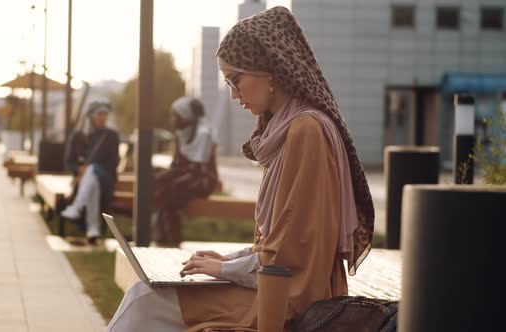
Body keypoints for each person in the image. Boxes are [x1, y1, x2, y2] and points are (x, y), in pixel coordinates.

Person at [106, 6, 374, 331]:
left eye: (236, 80)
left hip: (288, 300)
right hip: (276, 287)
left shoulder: (305, 131)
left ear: (270, 71)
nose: (234, 95)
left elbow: (289, 259)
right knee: (145, 297)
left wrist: (223, 270)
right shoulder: (289, 127)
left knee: (144, 301)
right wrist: (227, 261)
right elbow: (279, 243)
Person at [152, 96, 219, 246]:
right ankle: (161, 235)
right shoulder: (180, 134)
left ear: (186, 115)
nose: (173, 119)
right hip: (186, 177)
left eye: (176, 115)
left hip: (203, 179)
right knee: (158, 183)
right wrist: (162, 176)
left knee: (172, 189)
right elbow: (176, 165)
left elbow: (197, 167)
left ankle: (170, 237)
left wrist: (170, 175)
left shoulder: (203, 133)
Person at [62, 101, 119, 245]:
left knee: (93, 169)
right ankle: (93, 228)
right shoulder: (79, 136)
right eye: (99, 114)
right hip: (85, 182)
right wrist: (78, 169)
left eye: (105, 114)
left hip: (106, 179)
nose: (103, 118)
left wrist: (91, 169)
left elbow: (113, 163)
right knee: (92, 181)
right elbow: (69, 161)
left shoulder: (111, 136)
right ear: (91, 116)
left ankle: (77, 207)